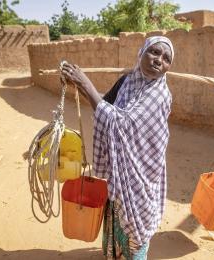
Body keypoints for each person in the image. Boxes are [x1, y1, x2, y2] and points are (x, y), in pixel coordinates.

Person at [61, 36, 174, 260]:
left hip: (142, 176)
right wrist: (77, 85)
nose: (159, 60)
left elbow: (121, 123)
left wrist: (86, 84)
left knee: (136, 229)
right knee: (116, 216)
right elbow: (104, 108)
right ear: (142, 52)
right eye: (154, 52)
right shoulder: (126, 82)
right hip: (120, 171)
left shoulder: (160, 95)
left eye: (166, 58)